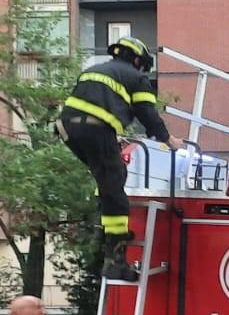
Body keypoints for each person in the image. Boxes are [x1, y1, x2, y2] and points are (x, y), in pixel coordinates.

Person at [57, 36, 183, 281]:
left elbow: (88, 106)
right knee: (115, 193)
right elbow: (147, 113)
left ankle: (105, 233)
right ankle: (115, 260)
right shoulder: (136, 78)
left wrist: (110, 136)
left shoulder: (93, 70)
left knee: (110, 180)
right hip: (95, 129)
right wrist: (168, 139)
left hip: (68, 130)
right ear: (137, 60)